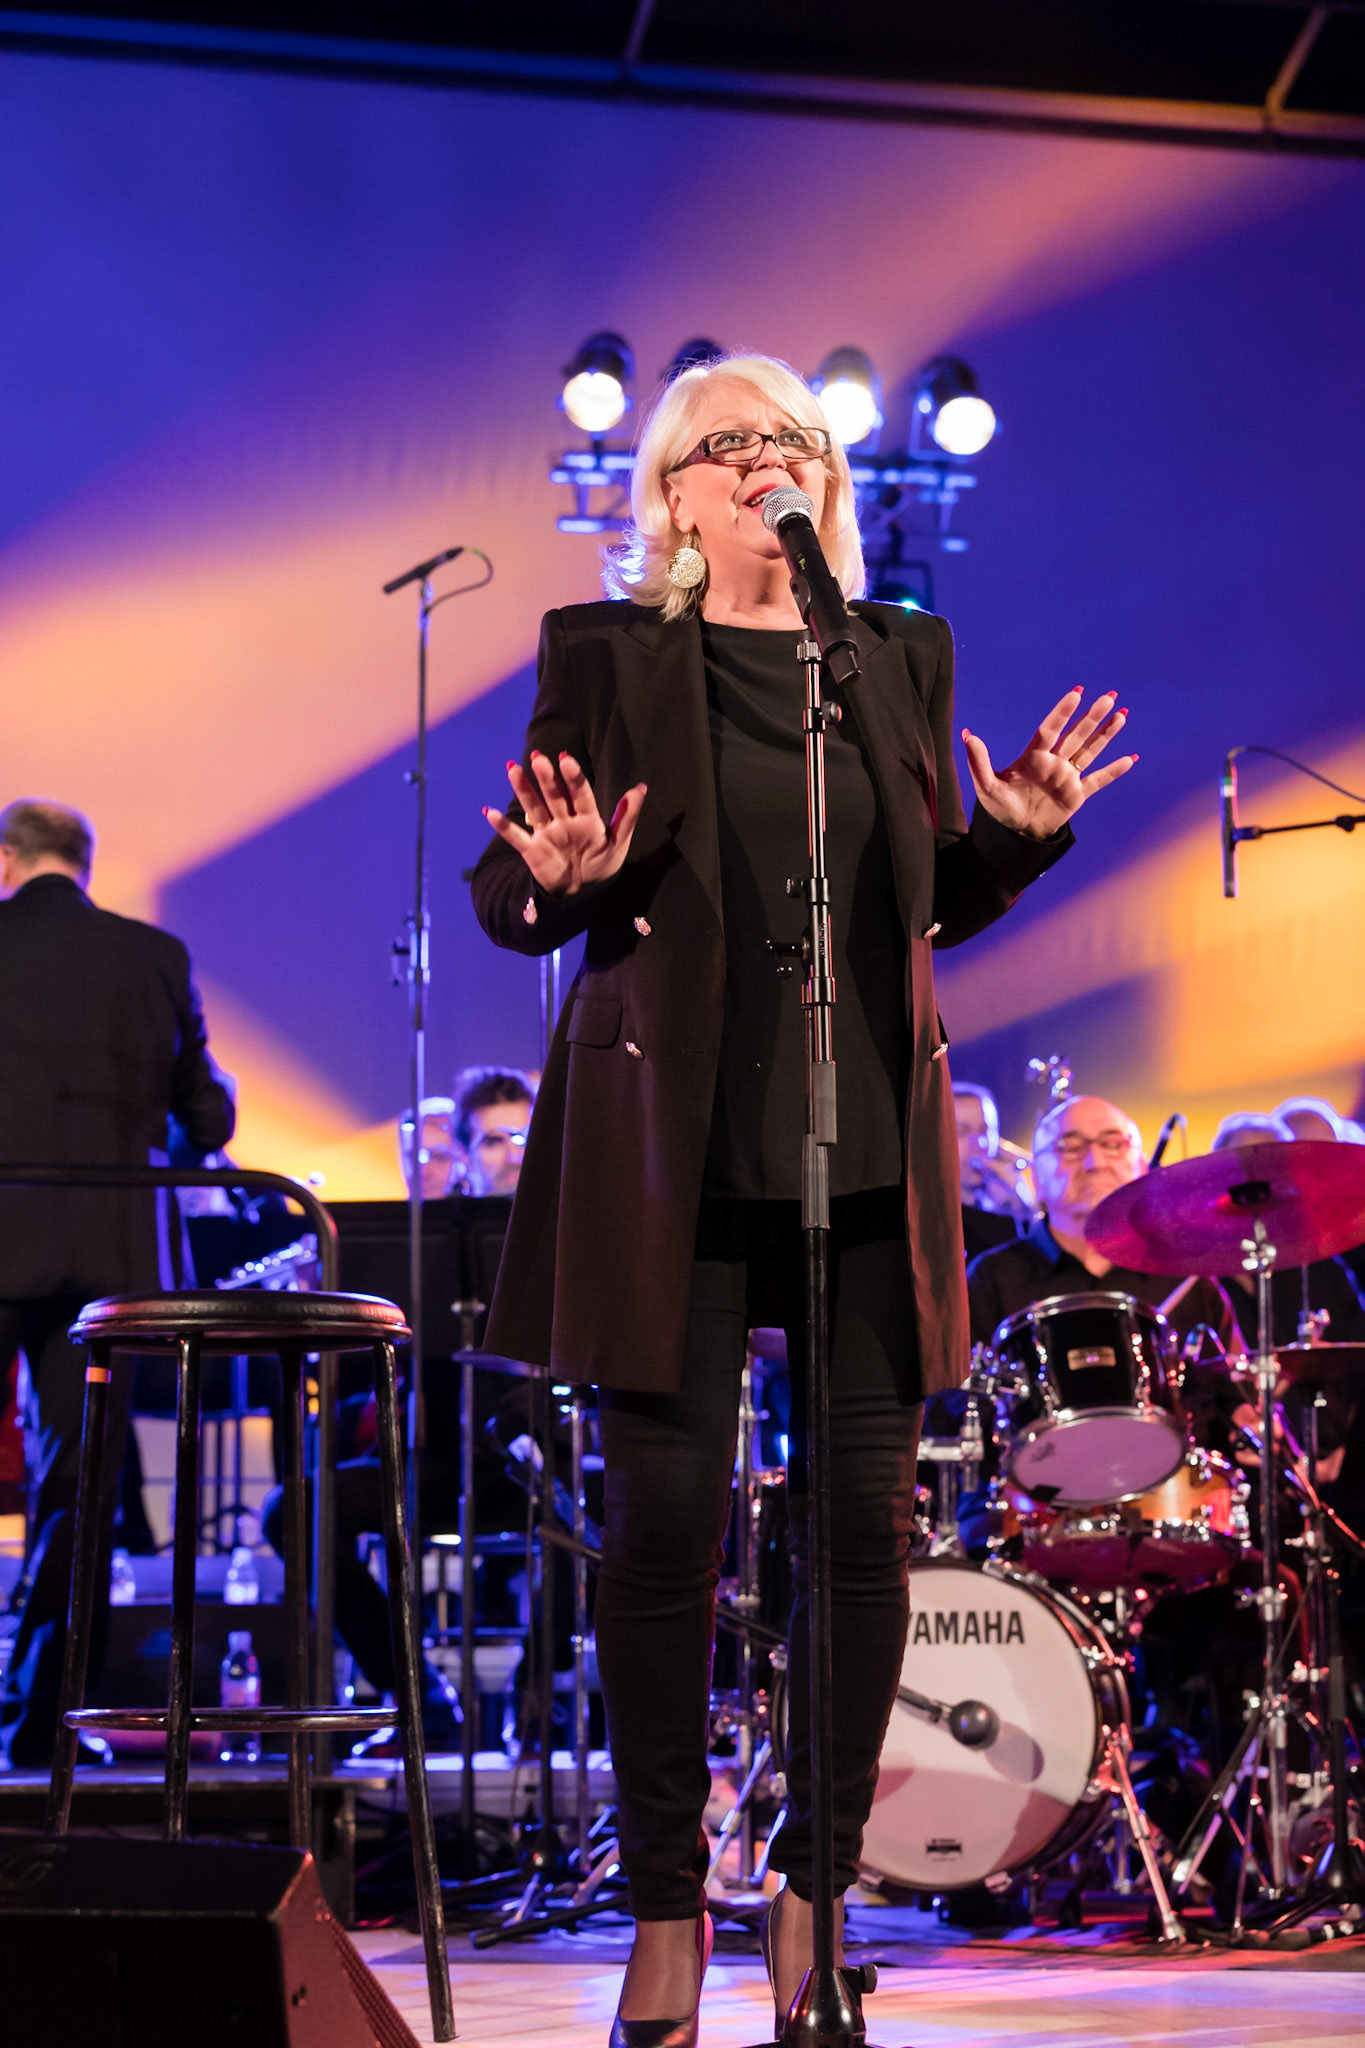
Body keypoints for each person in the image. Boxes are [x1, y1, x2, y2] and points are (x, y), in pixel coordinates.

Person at [471, 351, 1135, 2043]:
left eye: (793, 440)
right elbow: (517, 881)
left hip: (864, 1152)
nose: (767, 460)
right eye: (730, 442)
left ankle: (817, 1894)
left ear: (824, 486)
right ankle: (667, 1908)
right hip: (669, 1155)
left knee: (862, 1544)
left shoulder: (895, 655)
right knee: (664, 1539)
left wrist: (1019, 838)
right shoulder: (608, 656)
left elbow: (918, 902)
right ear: (678, 497)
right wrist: (553, 887)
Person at [0, 799, 235, 1768]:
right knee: (81, 1488)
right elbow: (207, 1117)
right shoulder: (156, 956)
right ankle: (39, 1724)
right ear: (83, 864)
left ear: (7, 859)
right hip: (111, 1259)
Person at [967, 1093, 1236, 1352]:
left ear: (1141, 1168)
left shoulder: (1185, 1277)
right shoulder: (991, 1280)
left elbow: (1233, 1390)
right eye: (1070, 1148)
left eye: (1113, 1144)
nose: (1094, 1163)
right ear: (1036, 1178)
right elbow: (957, 1395)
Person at [953, 1080, 1032, 1259]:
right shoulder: (938, 1220)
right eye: (962, 1131)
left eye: (984, 1131)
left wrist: (1021, 1205)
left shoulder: (1001, 1209)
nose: (980, 1143)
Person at [451, 1065, 535, 1198]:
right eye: (494, 1143)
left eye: (524, 1138)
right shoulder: (440, 1217)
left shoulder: (561, 1216)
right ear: (463, 1153)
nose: (514, 1158)